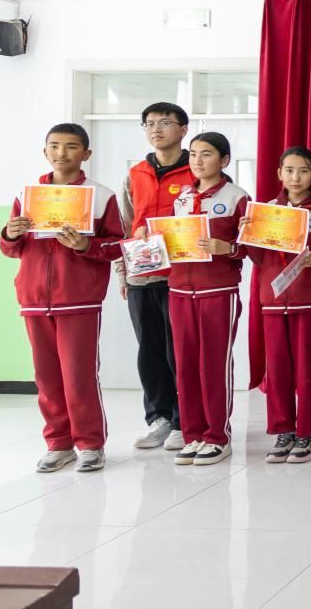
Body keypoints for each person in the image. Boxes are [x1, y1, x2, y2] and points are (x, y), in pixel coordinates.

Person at [0, 123, 123, 472]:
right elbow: (10, 249)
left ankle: (90, 444)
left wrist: (86, 245)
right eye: (54, 146)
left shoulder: (100, 196)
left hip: (79, 298)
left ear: (86, 153)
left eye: (71, 146)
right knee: (46, 376)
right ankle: (58, 443)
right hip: (34, 298)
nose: (61, 153)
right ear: (45, 151)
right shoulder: (27, 196)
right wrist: (10, 233)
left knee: (78, 374)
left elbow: (117, 246)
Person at [245, 147, 311, 465]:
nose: (295, 177)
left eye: (303, 171)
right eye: (289, 170)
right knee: (278, 372)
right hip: (273, 301)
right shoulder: (268, 210)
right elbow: (258, 258)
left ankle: (308, 434)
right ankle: (283, 431)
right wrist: (248, 234)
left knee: (307, 371)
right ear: (279, 174)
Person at [167, 132, 250, 467]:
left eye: (206, 154)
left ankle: (217, 436)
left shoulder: (237, 197)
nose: (197, 161)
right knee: (185, 365)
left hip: (218, 291)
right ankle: (193, 435)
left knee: (213, 364)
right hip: (179, 290)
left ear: (224, 160)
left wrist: (228, 248)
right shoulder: (182, 197)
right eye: (193, 154)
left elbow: (252, 247)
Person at [119, 102, 193, 452]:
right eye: (149, 124)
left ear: (183, 129)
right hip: (142, 275)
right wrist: (123, 272)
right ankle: (159, 417)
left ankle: (183, 419)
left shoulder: (196, 170)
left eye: (165, 122)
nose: (156, 129)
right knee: (148, 350)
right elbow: (125, 225)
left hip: (182, 276)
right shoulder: (135, 173)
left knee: (179, 351)